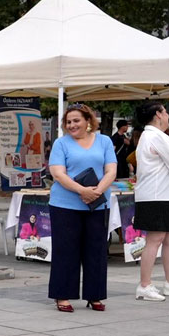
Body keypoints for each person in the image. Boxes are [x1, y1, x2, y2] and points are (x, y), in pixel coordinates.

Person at [47, 103, 117, 312]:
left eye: (76, 120)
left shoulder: (104, 141)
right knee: (66, 250)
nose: (72, 125)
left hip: (97, 204)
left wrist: (96, 192)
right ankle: (62, 295)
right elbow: (58, 174)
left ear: (88, 121)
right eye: (68, 122)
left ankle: (94, 295)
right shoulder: (61, 144)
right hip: (65, 205)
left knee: (96, 250)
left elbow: (111, 170)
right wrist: (82, 191)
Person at [132, 101, 169, 301]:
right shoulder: (155, 136)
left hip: (163, 194)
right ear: (158, 114)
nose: (168, 115)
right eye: (166, 112)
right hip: (155, 195)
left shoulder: (155, 136)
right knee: (156, 239)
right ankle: (145, 285)